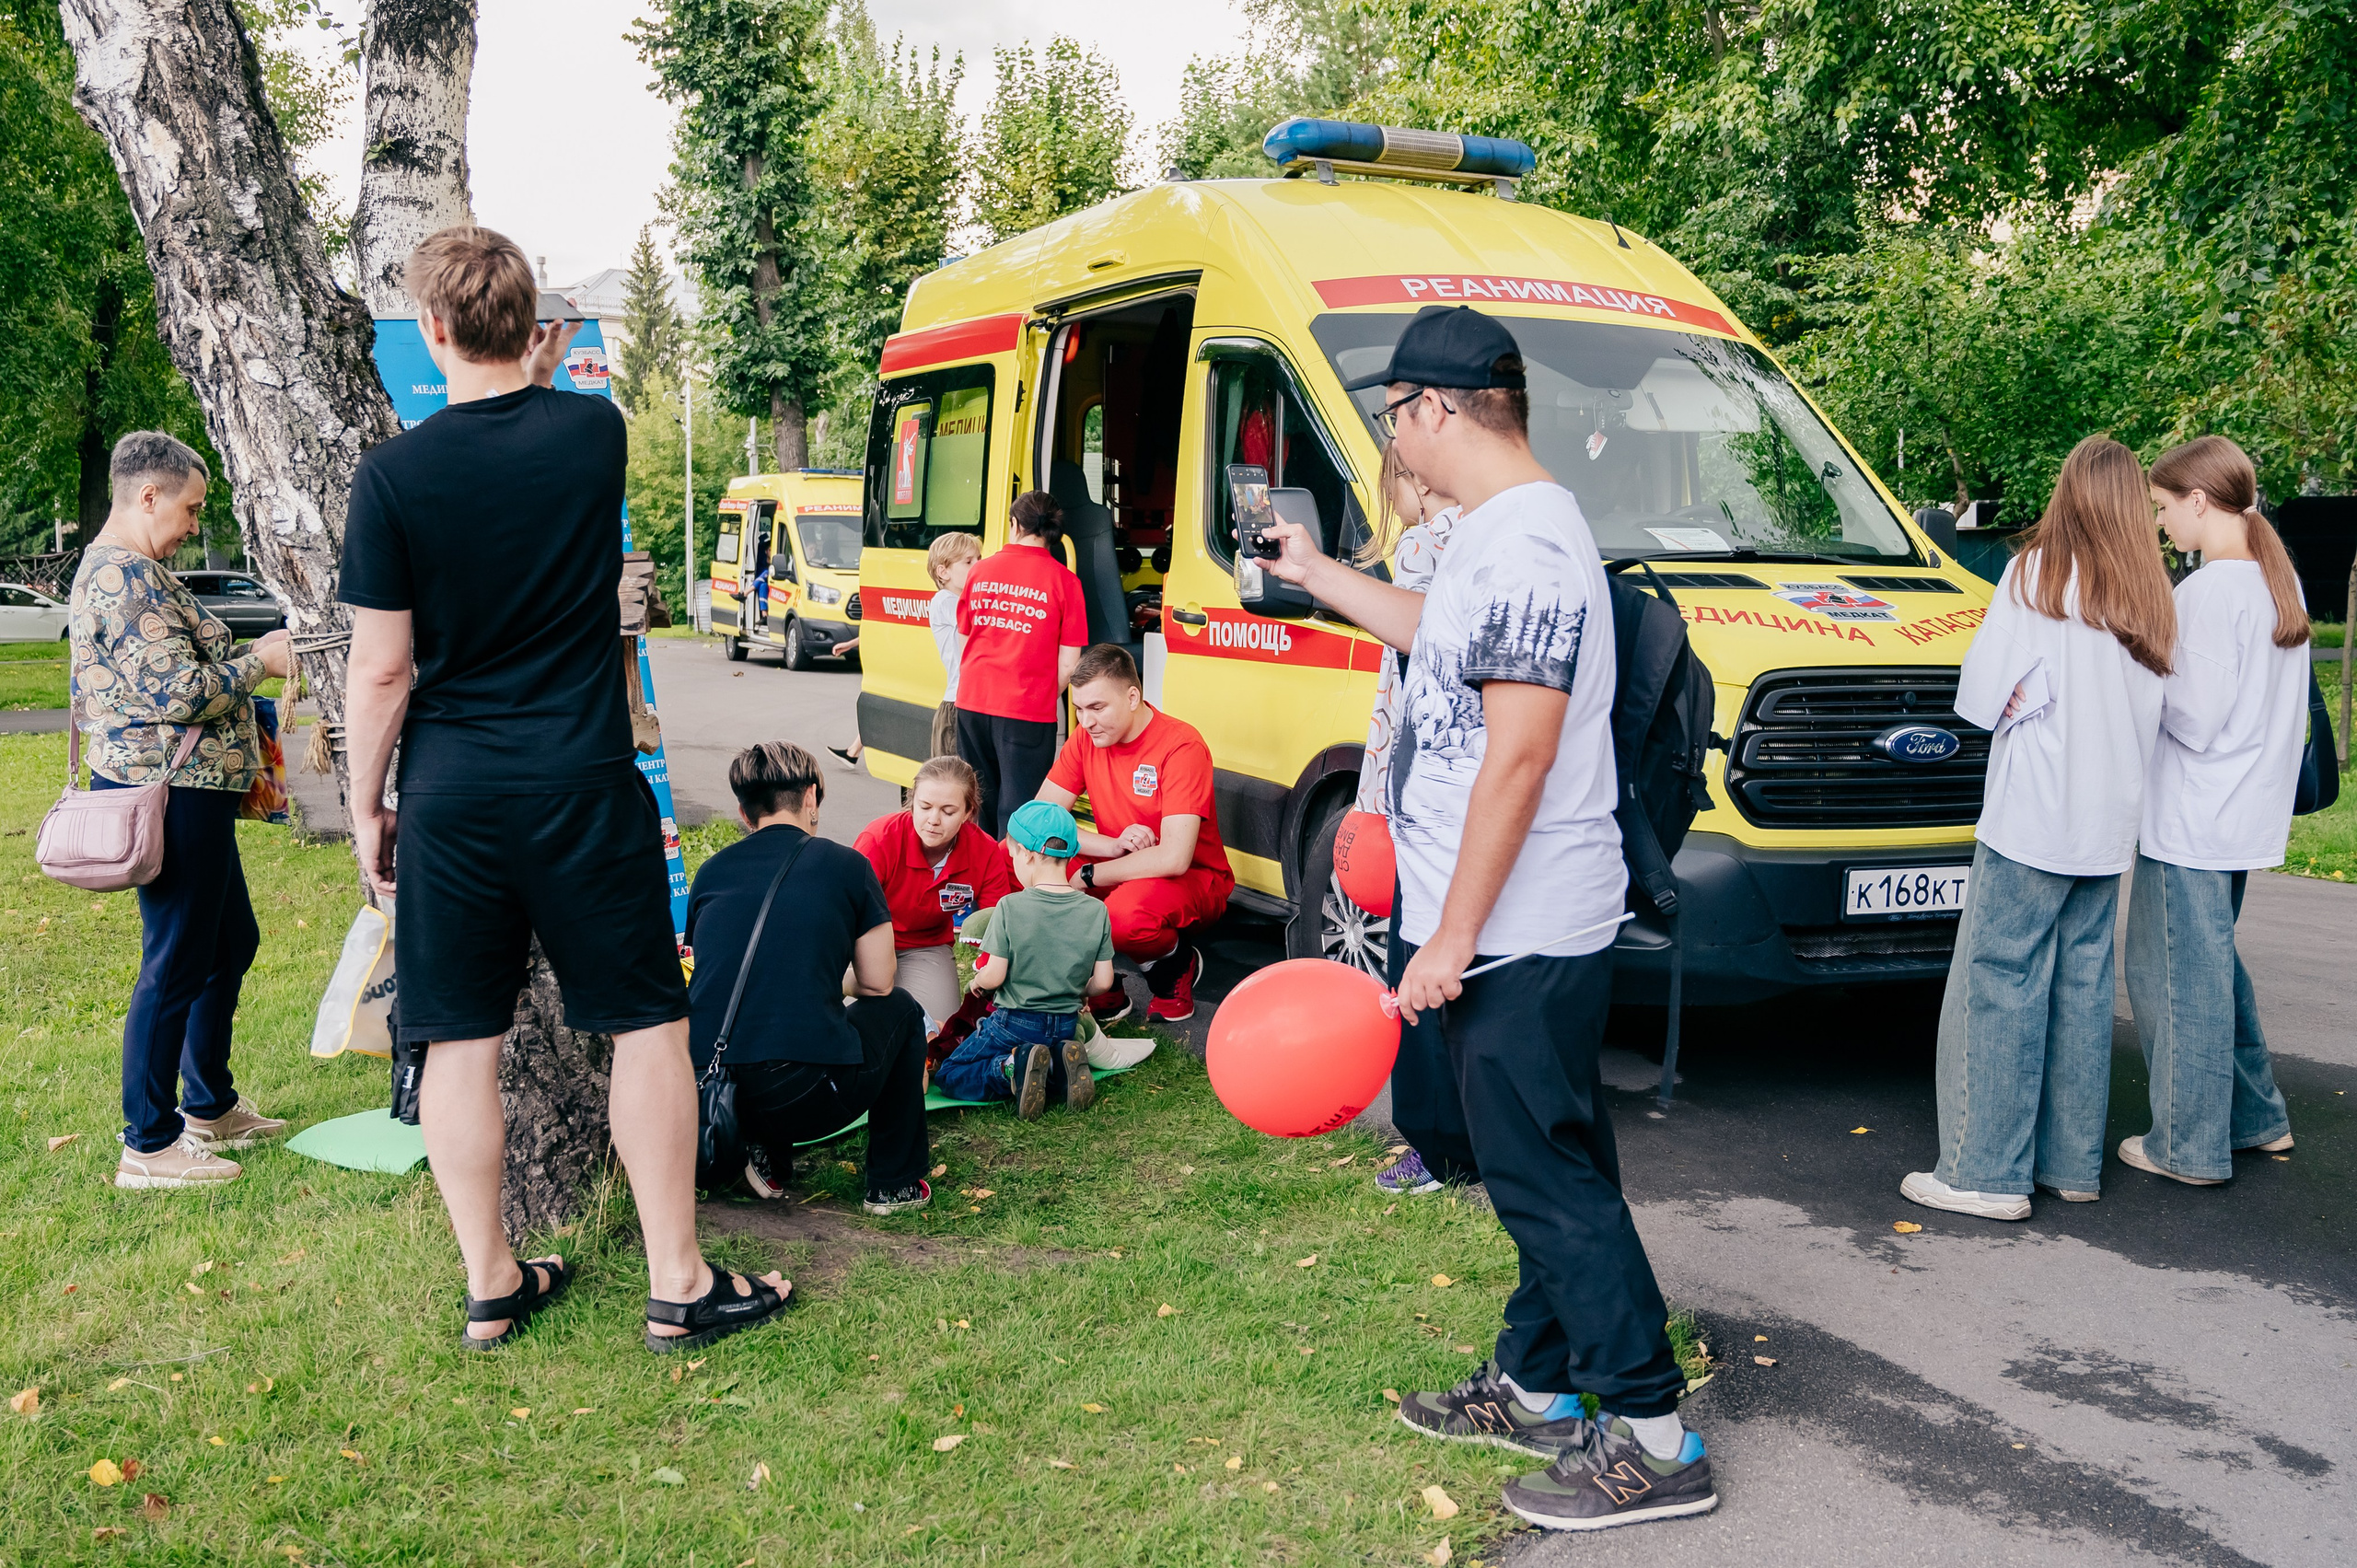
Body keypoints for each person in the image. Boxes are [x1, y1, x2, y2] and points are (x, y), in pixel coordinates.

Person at [1263, 304, 1716, 1531]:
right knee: (1549, 1161)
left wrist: (1454, 937)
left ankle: (1658, 1438)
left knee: (1545, 1180)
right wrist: (1318, 576)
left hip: (1516, 926)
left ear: (1437, 410)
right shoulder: (1493, 537)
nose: (1397, 447)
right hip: (1491, 914)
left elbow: (1519, 759)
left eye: (1397, 420)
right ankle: (1538, 1379)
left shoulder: (1524, 548)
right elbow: (1442, 640)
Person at [341, 225, 785, 1354]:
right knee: (645, 1025)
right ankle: (677, 1281)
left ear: (431, 328)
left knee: (459, 1044)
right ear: (532, 328)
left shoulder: (390, 478)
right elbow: (523, 412)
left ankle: (493, 1281)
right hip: (583, 782)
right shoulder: (593, 431)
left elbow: (383, 668)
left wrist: (364, 805)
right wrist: (529, 353)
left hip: (453, 793)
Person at [1900, 436, 2174, 1221]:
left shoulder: (2037, 574)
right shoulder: (2150, 595)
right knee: (2082, 990)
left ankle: (1984, 1171)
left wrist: (2020, 697)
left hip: (2032, 818)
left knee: (1998, 982)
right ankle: (2070, 1164)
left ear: (2070, 495)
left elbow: (1979, 695)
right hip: (2106, 827)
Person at [73, 431, 295, 1190]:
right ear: (148, 496)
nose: (196, 523)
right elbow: (180, 693)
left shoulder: (138, 570)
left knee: (228, 941)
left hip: (190, 789)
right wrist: (260, 660)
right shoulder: (124, 581)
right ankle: (149, 1141)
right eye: (191, 508)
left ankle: (208, 1103)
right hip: (168, 792)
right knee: (174, 961)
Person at [2121, 436, 2305, 1185]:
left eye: (2165, 508)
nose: (2162, 524)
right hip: (2241, 818)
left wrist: (2138, 669)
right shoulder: (2275, 576)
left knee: (2176, 983)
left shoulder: (2207, 591)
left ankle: (2187, 1147)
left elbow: (2192, 717)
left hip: (2190, 821)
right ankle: (2257, 1117)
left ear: (2199, 500)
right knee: (2213, 969)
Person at [688, 742, 934, 1213]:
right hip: (800, 1091)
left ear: (743, 812)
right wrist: (824, 982)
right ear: (811, 797)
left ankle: (765, 1159)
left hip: (707, 1087)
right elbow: (880, 983)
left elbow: (719, 969)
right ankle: (894, 1183)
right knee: (901, 1010)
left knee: (763, 1021)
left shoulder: (712, 870)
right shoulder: (848, 866)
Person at [1354, 445, 1469, 1200]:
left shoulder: (1430, 542)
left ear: (1413, 479)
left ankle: (1432, 1147)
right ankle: (1479, 1137)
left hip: (1427, 802)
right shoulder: (1502, 532)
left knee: (1416, 979)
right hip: (1469, 800)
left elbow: (1408, 682)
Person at [1034, 643, 1235, 1024]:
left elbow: (1174, 857)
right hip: (1123, 860)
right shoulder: (1087, 738)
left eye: (1097, 707)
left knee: (1122, 916)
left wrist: (1089, 876)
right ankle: (1105, 988)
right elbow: (1038, 819)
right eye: (1078, 708)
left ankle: (1175, 967)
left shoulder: (1181, 745)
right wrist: (1109, 846)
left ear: (1132, 696)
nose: (1086, 720)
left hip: (1192, 876)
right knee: (1023, 861)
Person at [932, 800, 1114, 1119]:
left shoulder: (1011, 907)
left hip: (1016, 1022)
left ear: (1027, 855)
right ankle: (1058, 1064)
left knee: (951, 1074)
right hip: (1066, 1024)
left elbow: (995, 975)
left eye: (1013, 855)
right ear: (1069, 855)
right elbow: (1104, 982)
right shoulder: (1096, 911)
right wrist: (1081, 991)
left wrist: (976, 981)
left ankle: (1011, 1068)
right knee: (1047, 1050)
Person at [956, 491, 1087, 834]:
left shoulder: (980, 571)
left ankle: (979, 882)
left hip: (972, 701)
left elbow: (964, 638)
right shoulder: (1066, 582)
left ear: (1015, 524)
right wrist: (1042, 693)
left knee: (976, 804)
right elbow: (1069, 664)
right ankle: (1010, 883)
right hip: (1026, 709)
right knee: (1020, 810)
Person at [853, 754, 1015, 1032]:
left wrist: (991, 980)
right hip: (863, 943)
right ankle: (854, 989)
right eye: (924, 807)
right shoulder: (879, 840)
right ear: (911, 802)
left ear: (968, 812)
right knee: (850, 1026)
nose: (933, 820)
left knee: (940, 1032)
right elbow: (845, 913)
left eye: (948, 811)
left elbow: (998, 928)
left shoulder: (984, 852)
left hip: (924, 947)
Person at [927, 531, 983, 759]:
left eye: (979, 558)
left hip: (972, 705)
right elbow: (978, 626)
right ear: (943, 572)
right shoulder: (945, 600)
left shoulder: (966, 601)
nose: (978, 565)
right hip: (956, 708)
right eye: (969, 562)